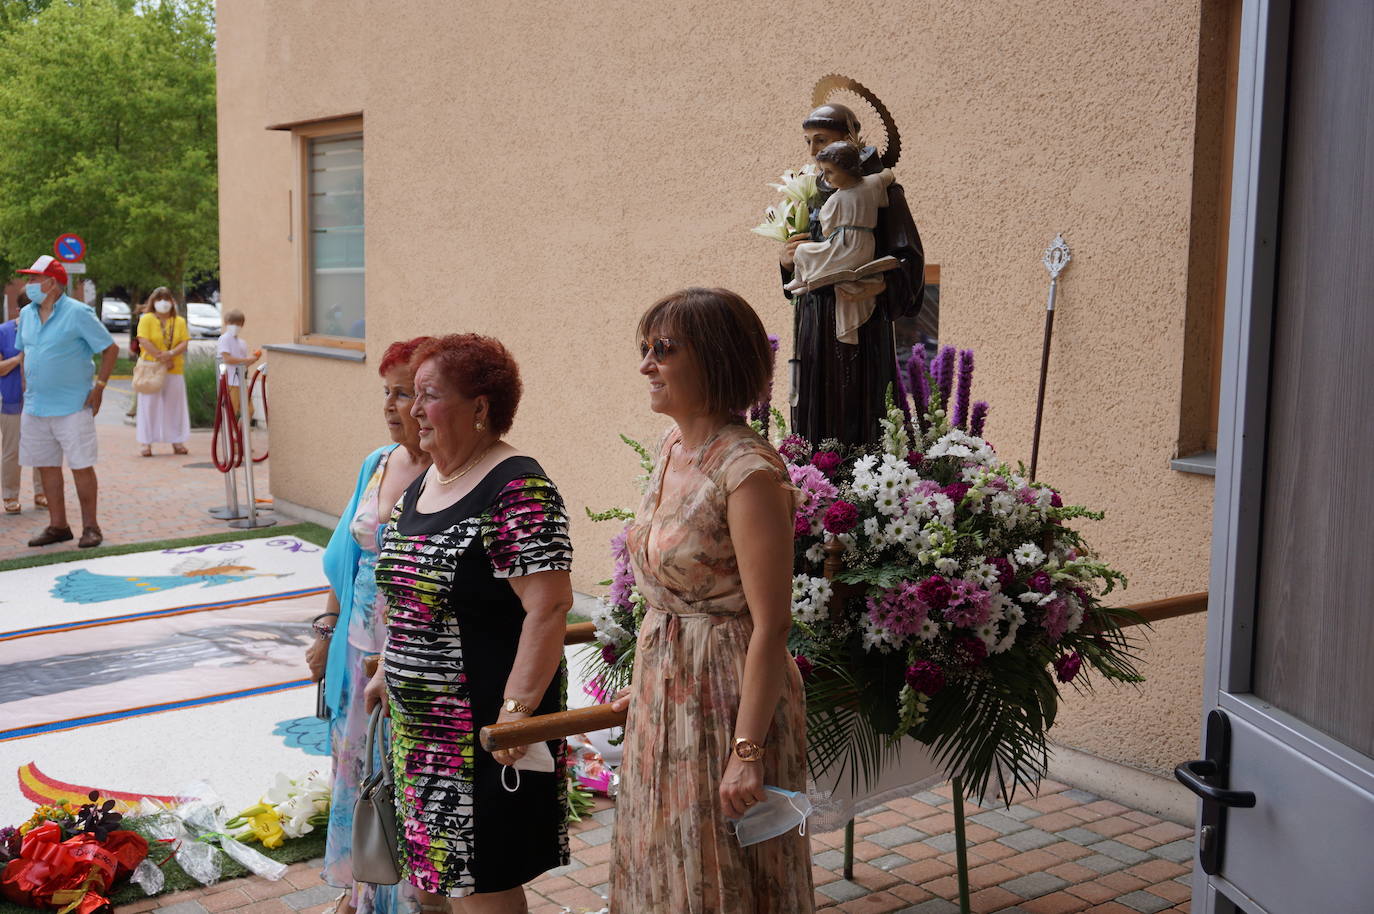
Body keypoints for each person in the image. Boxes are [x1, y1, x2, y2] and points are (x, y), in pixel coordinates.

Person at [608, 288, 812, 913]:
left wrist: (746, 752)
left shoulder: (747, 471)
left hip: (726, 694)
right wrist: (645, 676)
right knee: (661, 854)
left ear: (716, 359)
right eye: (645, 349)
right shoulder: (673, 450)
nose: (646, 365)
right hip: (665, 684)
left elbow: (773, 622)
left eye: (663, 350)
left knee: (716, 868)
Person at [362, 333, 573, 912]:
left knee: (483, 886)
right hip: (419, 733)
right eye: (413, 395)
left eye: (428, 396)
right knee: (438, 883)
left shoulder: (517, 488)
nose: (412, 409)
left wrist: (517, 714)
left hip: (479, 734)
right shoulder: (427, 479)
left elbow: (549, 606)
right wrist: (391, 666)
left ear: (480, 408)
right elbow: (411, 596)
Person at [307, 337, 433, 914]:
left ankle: (406, 902)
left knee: (406, 786)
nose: (391, 406)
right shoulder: (377, 463)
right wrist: (326, 629)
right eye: (387, 392)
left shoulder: (454, 473)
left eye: (404, 394)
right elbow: (345, 556)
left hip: (413, 662)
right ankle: (364, 894)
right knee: (358, 779)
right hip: (358, 656)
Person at [781, 103, 925, 446]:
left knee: (857, 402)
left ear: (849, 140)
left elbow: (910, 258)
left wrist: (878, 284)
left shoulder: (884, 194)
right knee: (814, 403)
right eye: (808, 142)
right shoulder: (810, 195)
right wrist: (787, 261)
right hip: (814, 319)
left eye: (822, 140)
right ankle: (813, 475)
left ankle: (862, 483)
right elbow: (799, 257)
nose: (814, 151)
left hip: (862, 321)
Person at [14, 255, 118, 548]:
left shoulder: (78, 312)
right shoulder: (27, 315)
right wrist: (25, 383)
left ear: (52, 283)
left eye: (34, 279)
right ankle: (58, 526)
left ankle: (91, 527)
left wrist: (99, 388)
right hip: (35, 406)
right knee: (46, 466)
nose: (28, 284)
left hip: (73, 405)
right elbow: (25, 352)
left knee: (81, 465)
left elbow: (109, 349)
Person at [134, 288, 192, 457]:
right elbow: (143, 340)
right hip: (151, 368)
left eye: (167, 299)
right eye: (160, 299)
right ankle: (146, 443)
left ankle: (177, 441)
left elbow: (184, 342)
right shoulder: (147, 319)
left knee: (175, 406)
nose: (164, 302)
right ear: (153, 301)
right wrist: (161, 357)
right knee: (149, 404)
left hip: (174, 368)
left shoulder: (179, 321)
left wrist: (171, 354)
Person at [1, 289, 44, 514]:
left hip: (42, 399)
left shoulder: (46, 331)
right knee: (12, 450)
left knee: (42, 447)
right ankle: (10, 496)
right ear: (20, 311)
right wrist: (19, 359)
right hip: (12, 400)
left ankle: (42, 492)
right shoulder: (4, 332)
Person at [216, 309, 261, 420]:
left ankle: (239, 435)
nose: (235, 326)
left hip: (241, 381)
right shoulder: (224, 339)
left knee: (249, 411)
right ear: (226, 323)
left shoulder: (242, 343)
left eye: (238, 324)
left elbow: (243, 364)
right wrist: (246, 360)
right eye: (232, 323)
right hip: (230, 382)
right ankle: (233, 435)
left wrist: (254, 359)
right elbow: (226, 359)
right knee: (231, 411)